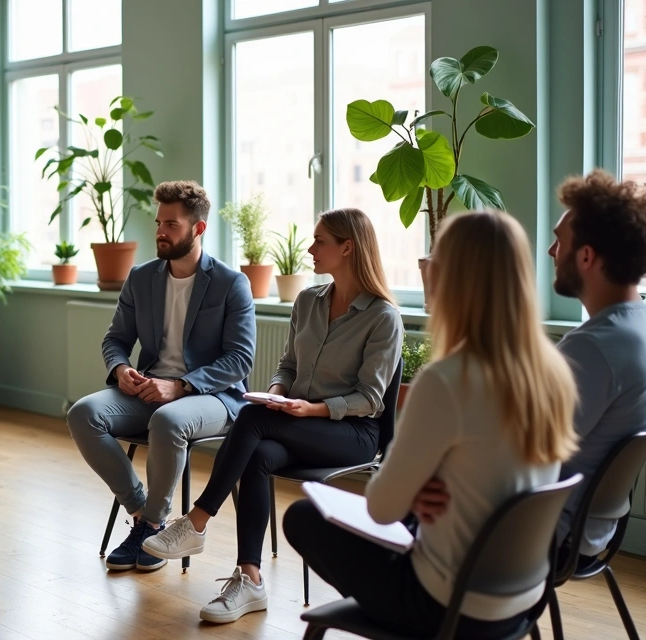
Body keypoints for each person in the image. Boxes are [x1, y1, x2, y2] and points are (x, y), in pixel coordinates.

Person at [282, 211, 578, 639]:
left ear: (456, 278)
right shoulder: (553, 373)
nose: (427, 268)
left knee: (304, 516)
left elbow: (383, 509)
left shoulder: (446, 381)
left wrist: (410, 491)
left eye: (436, 258)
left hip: (446, 603)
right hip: (523, 597)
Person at [142, 208, 402, 620]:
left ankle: (196, 520)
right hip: (295, 420)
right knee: (259, 451)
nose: (310, 249)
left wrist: (310, 409)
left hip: (352, 433)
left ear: (347, 248)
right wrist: (277, 394)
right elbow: (287, 367)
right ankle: (251, 580)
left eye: (320, 241)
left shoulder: (383, 317)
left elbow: (370, 399)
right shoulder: (308, 301)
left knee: (250, 419)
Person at [412, 170, 646, 564]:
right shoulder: (636, 327)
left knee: (327, 517)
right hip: (595, 528)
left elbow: (511, 457)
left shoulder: (592, 349)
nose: (552, 252)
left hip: (536, 535)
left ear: (586, 256)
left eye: (560, 241)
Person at [67, 180, 257, 573]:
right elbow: (115, 339)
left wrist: (181, 385)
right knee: (83, 414)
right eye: (158, 222)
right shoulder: (142, 277)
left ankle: (156, 525)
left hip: (214, 395)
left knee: (168, 420)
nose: (160, 232)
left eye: (171, 224)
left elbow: (240, 359)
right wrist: (121, 369)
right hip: (150, 386)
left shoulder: (231, 283)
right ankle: (141, 516)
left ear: (198, 229)